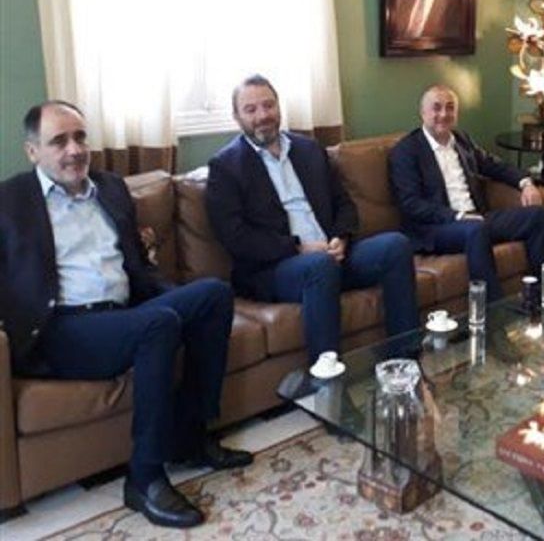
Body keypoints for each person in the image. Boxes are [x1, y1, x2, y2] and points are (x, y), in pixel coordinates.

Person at [0, 101, 251, 529]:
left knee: (212, 295)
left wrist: (174, 298)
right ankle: (144, 477)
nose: (74, 150)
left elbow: (137, 268)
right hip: (62, 328)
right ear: (32, 151)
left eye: (80, 137)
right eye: (59, 141)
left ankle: (190, 437)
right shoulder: (10, 201)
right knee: (158, 324)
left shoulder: (111, 188)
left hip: (122, 313)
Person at [205, 75, 419, 362]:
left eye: (268, 105)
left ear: (278, 106)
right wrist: (298, 248)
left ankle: (405, 361)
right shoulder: (225, 166)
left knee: (395, 245)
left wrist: (341, 238)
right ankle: (327, 380)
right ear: (237, 117)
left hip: (332, 254)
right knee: (319, 266)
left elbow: (343, 203)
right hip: (276, 269)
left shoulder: (309, 149)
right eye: (251, 109)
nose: (263, 115)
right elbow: (236, 237)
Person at [388, 84, 544, 302]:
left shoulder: (461, 140)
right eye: (436, 108)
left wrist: (526, 183)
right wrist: (458, 216)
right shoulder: (406, 151)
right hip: (437, 227)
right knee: (475, 230)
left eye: (450, 108)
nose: (443, 114)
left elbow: (494, 165)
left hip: (477, 219)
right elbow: (411, 204)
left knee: (538, 217)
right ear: (423, 113)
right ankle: (495, 311)